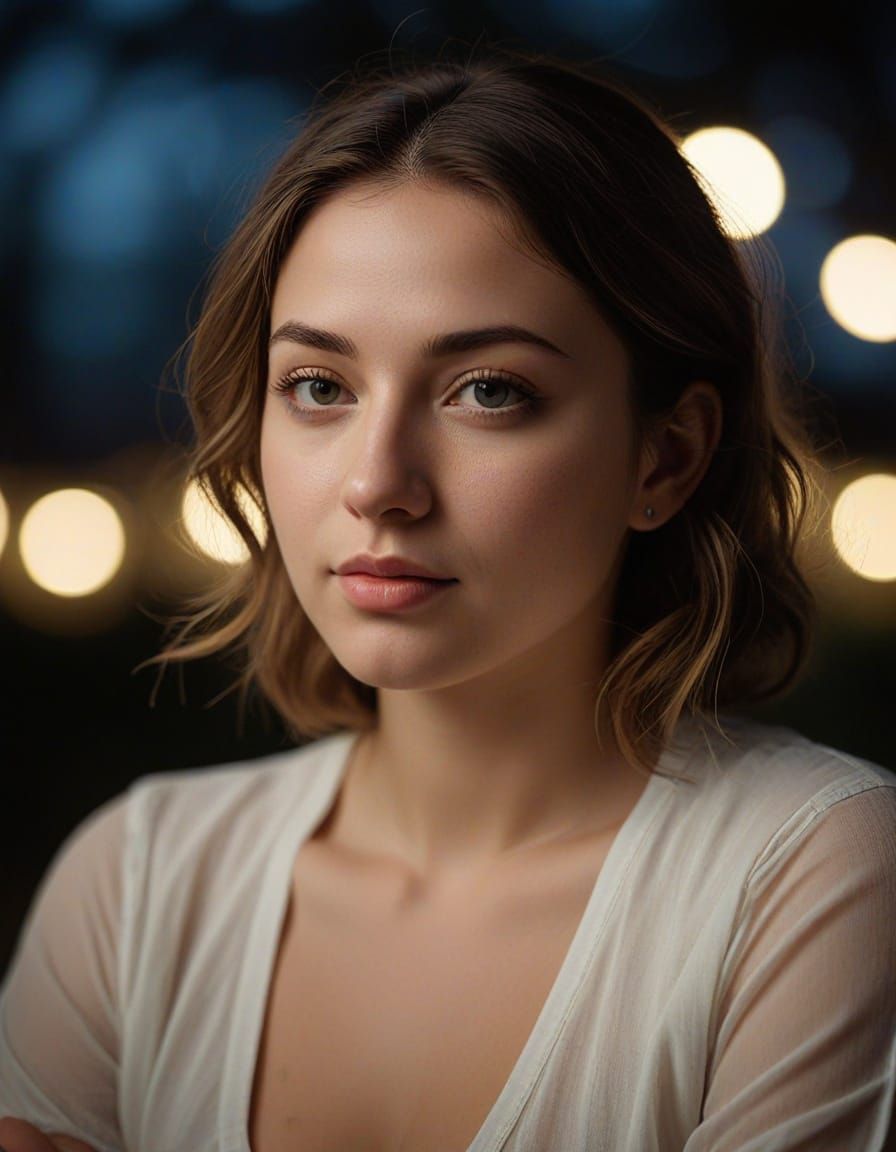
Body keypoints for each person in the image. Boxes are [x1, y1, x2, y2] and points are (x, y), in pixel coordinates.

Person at [1, 41, 894, 1152]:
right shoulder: (136, 888)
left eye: (488, 391)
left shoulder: (807, 875)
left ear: (663, 459)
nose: (377, 483)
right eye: (318, 386)